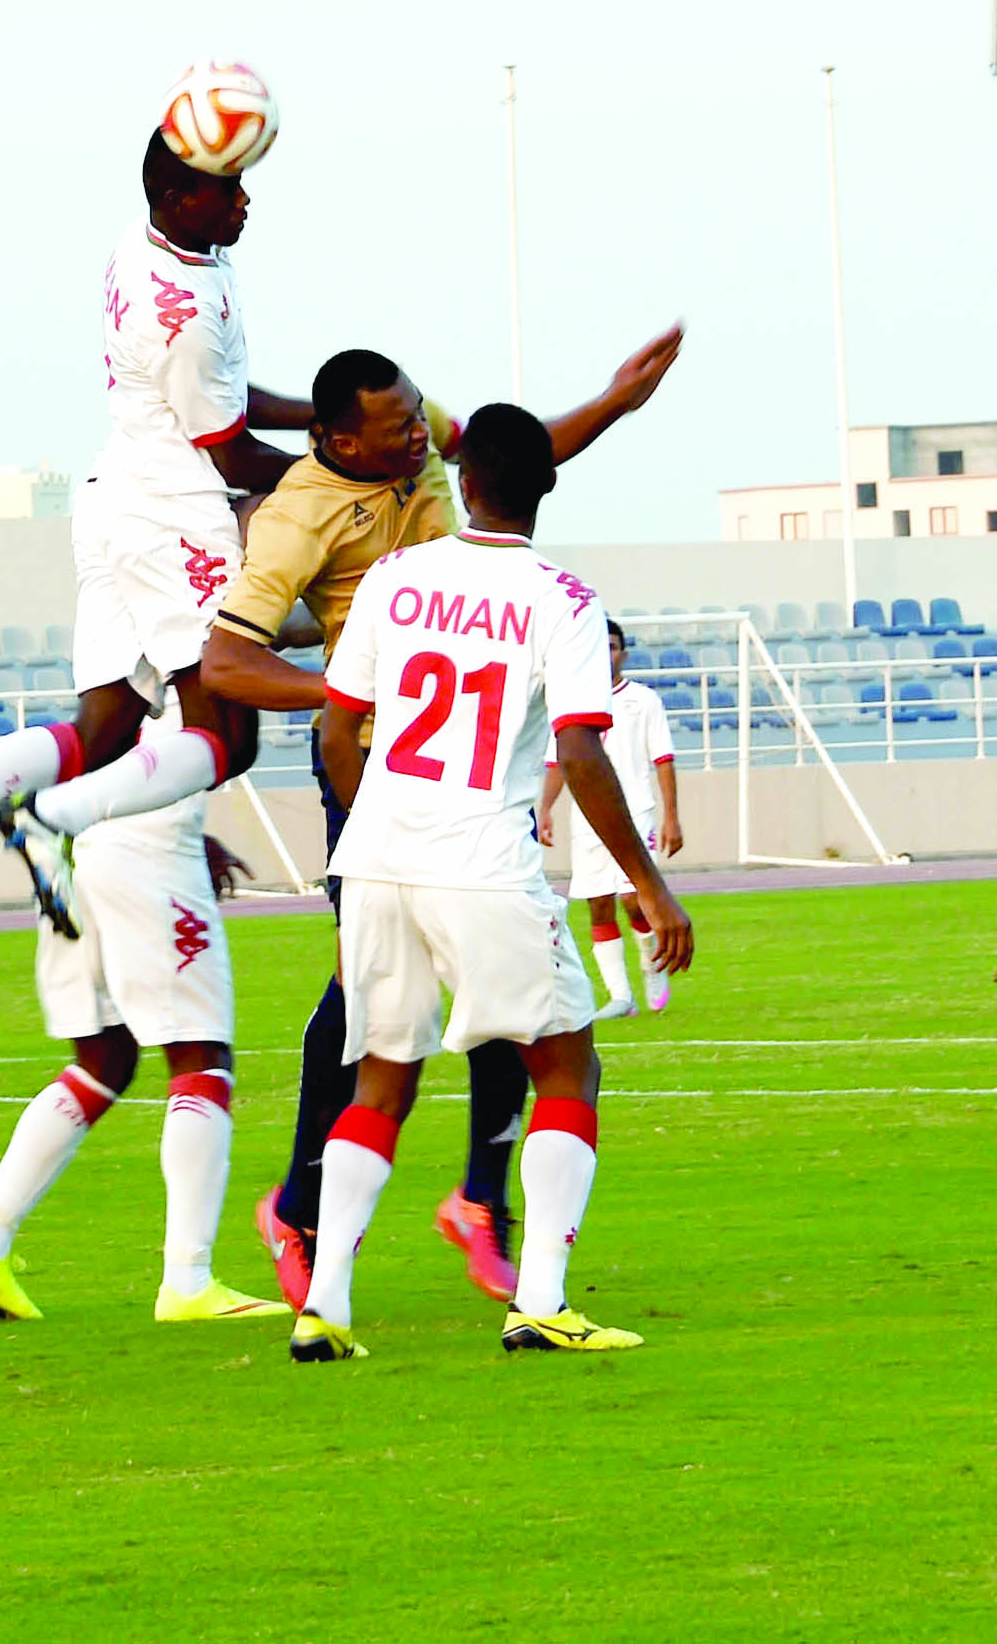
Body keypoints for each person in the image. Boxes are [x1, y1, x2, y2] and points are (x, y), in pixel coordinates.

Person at [198, 332, 684, 1308]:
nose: (422, 436)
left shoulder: (427, 469)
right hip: (378, 763)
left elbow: (509, 454)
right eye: (399, 429)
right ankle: (301, 1207)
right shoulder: (296, 518)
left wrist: (611, 402)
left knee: (466, 985)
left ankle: (468, 1209)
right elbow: (223, 661)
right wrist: (355, 696)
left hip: (449, 765)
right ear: (340, 440)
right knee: (379, 997)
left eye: (421, 418)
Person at [0, 108, 324, 938]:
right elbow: (232, 455)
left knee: (103, 729)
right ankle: (49, 818)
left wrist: (320, 416)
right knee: (227, 736)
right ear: (176, 197)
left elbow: (220, 397)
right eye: (227, 187)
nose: (244, 201)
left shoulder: (151, 246)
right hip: (170, 514)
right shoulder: (181, 313)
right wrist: (342, 472)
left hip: (115, 494)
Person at [0, 708, 288, 1324]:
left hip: (79, 845)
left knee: (105, 1060)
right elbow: (236, 667)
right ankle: (188, 1281)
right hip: (150, 852)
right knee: (201, 1057)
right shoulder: (204, 645)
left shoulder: (123, 665)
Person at [537, 619, 681, 1017]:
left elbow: (663, 760)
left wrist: (672, 817)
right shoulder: (570, 698)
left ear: (624, 654)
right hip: (587, 819)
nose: (606, 654)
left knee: (635, 899)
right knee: (598, 904)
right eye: (600, 646)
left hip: (636, 813)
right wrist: (546, 807)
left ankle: (652, 966)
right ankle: (621, 997)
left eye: (613, 647)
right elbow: (559, 762)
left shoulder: (643, 701)